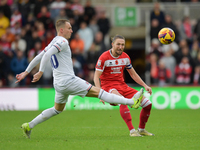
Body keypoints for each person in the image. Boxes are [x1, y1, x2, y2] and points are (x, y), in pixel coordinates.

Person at [15, 19, 144, 139]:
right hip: (69, 80)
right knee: (100, 93)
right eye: (69, 28)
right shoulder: (62, 41)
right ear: (61, 30)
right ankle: (132, 102)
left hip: (59, 84)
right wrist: (40, 71)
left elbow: (39, 56)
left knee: (57, 109)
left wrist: (26, 72)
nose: (71, 30)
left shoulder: (53, 41)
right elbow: (47, 55)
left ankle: (29, 125)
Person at [94, 35, 154, 137]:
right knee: (122, 101)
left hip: (123, 86)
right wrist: (99, 93)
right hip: (108, 87)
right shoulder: (104, 57)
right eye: (118, 44)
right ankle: (132, 131)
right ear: (112, 44)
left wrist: (145, 85)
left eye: (122, 45)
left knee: (148, 104)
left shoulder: (125, 57)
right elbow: (96, 76)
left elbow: (133, 74)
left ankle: (141, 129)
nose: (120, 47)